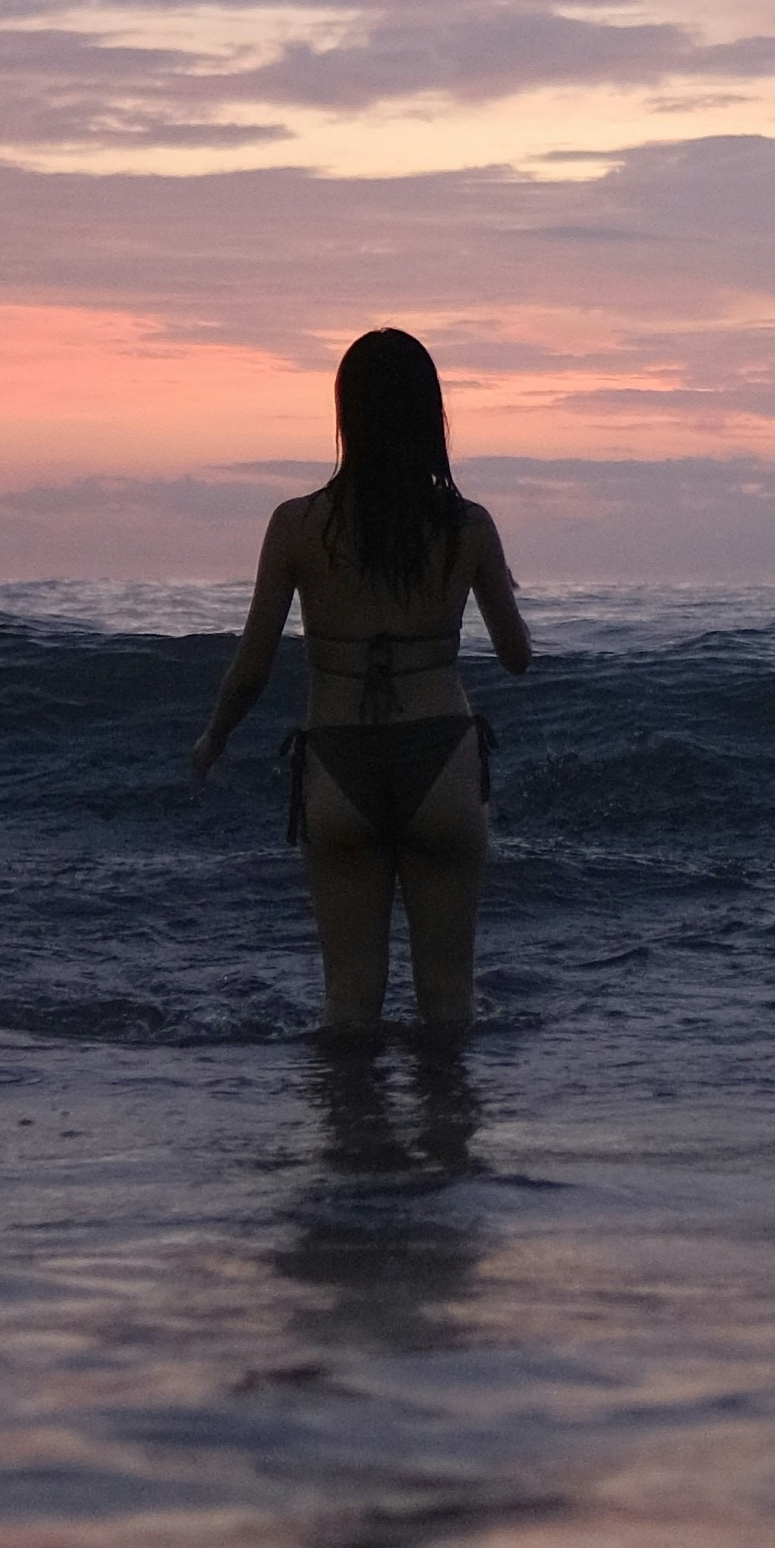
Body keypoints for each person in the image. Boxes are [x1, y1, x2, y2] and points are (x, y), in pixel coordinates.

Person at [194, 329, 534, 1037]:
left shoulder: (296, 525)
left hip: (339, 761)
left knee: (348, 1007)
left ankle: (350, 1113)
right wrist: (500, 583)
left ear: (345, 414)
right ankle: (450, 1114)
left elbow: (252, 667)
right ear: (431, 415)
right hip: (441, 762)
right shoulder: (467, 525)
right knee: (449, 1006)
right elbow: (516, 657)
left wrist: (214, 739)